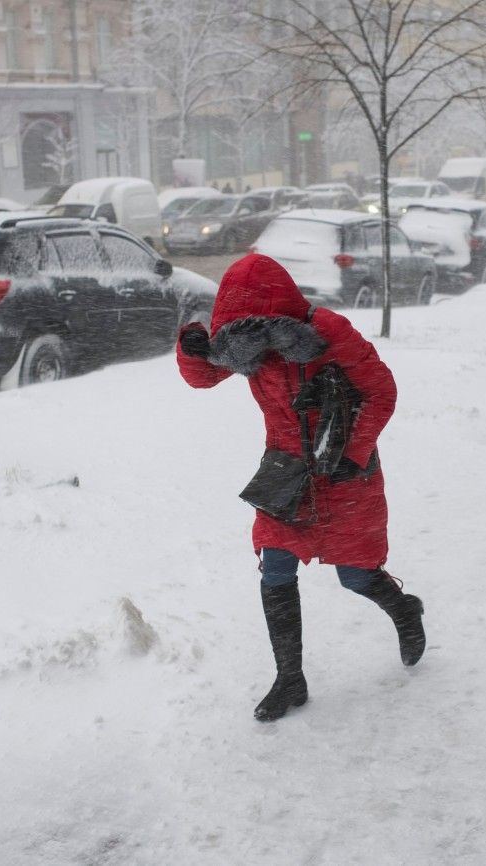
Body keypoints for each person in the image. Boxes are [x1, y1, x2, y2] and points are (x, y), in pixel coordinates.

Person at [176, 253, 426, 722]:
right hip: (285, 471)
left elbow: (382, 390)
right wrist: (190, 348)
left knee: (354, 575)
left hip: (345, 470)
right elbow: (204, 376)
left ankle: (405, 611)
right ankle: (290, 678)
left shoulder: (328, 331)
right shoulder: (243, 343)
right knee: (275, 568)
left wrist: (354, 453)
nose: (255, 349)